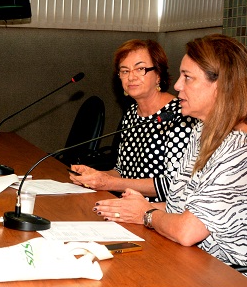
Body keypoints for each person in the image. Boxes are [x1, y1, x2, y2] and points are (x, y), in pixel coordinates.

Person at [92, 34, 247, 287]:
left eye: (188, 77)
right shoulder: (203, 130)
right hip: (210, 264)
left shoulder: (243, 146)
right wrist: (132, 207)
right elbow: (179, 205)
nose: (177, 86)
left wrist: (146, 214)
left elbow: (187, 231)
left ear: (221, 85)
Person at [69, 39, 195, 201]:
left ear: (158, 74)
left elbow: (172, 185)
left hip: (159, 210)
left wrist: (109, 183)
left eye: (140, 69)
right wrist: (95, 176)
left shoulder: (180, 115)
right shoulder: (131, 114)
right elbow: (122, 171)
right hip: (127, 206)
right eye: (125, 71)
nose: (131, 77)